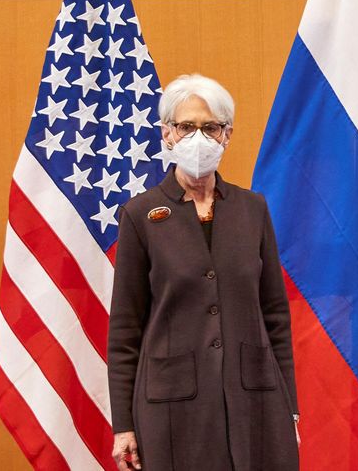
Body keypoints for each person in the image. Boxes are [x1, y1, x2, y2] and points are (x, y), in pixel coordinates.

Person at [108, 74, 299, 471]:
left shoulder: (253, 210)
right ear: (167, 134)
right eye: (186, 126)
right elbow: (125, 329)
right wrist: (123, 426)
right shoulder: (140, 215)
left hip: (255, 399)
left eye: (210, 127)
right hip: (171, 405)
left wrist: (290, 406)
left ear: (226, 134)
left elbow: (275, 315)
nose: (199, 137)